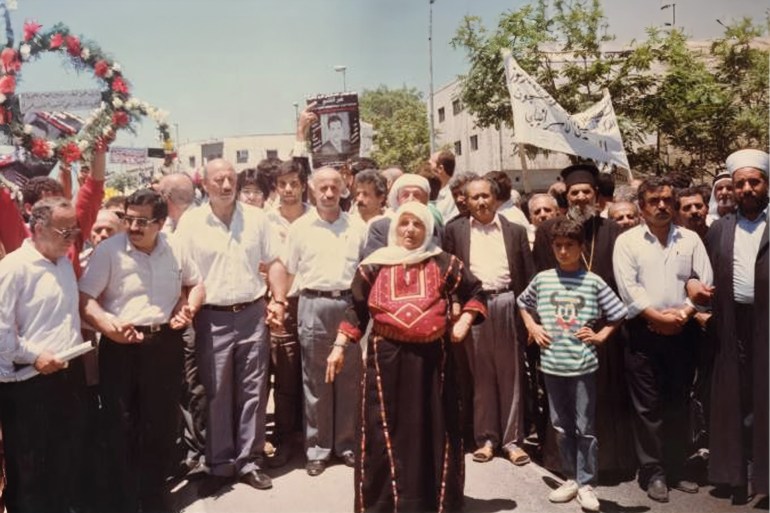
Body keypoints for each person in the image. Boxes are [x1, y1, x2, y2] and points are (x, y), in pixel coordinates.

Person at [326, 202, 487, 512]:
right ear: (394, 227)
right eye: (404, 223)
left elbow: (476, 292)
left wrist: (465, 320)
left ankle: (433, 503)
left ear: (428, 229)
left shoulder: (444, 263)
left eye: (418, 224)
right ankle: (385, 504)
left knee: (432, 429)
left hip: (433, 365)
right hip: (385, 363)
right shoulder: (373, 266)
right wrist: (338, 346)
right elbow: (355, 309)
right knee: (384, 431)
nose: (410, 230)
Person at [79, 189, 205, 513]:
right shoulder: (108, 251)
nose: (133, 227)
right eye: (128, 219)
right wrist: (108, 326)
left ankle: (153, 498)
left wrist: (187, 308)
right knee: (120, 426)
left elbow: (196, 284)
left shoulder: (176, 248)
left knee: (161, 425)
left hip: (164, 345)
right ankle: (123, 501)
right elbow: (86, 300)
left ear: (161, 223)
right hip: (120, 348)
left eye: (142, 222)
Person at [174, 159, 289, 494]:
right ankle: (221, 464)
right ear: (205, 185)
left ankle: (250, 461)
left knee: (254, 389)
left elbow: (276, 261)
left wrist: (278, 300)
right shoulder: (191, 223)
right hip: (211, 317)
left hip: (253, 312)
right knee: (217, 391)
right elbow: (182, 275)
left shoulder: (257, 219)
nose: (226, 186)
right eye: (218, 180)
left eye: (231, 179)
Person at [613, 176, 713, 503]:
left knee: (678, 401)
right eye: (654, 200)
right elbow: (629, 289)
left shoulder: (691, 240)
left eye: (667, 200)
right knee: (648, 406)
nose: (661, 206)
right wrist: (656, 318)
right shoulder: (627, 241)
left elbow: (705, 280)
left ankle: (676, 467)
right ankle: (653, 471)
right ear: (641, 207)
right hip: (643, 332)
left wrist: (682, 315)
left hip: (682, 332)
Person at [518, 218, 627, 512]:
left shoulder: (592, 281)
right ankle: (570, 478)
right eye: (558, 246)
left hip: (582, 366)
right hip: (552, 366)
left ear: (581, 247)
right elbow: (522, 302)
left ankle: (587, 483)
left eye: (570, 246)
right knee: (560, 425)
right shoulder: (543, 280)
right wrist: (534, 327)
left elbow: (618, 312)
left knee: (584, 426)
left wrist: (601, 335)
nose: (563, 251)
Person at [532, 164, 635, 477]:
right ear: (567, 196)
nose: (579, 198)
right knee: (566, 399)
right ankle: (564, 464)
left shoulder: (613, 231)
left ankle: (608, 463)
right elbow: (538, 281)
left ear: (596, 197)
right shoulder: (550, 231)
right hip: (563, 328)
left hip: (603, 329)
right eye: (574, 192)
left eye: (585, 192)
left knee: (601, 396)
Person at [0, 197, 87, 513]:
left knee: (64, 467)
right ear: (38, 228)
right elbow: (1, 332)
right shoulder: (13, 269)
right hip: (29, 385)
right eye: (64, 231)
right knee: (30, 474)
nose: (71, 238)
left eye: (74, 230)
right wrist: (35, 356)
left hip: (67, 376)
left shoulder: (63, 264)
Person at [443, 176, 534, 467]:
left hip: (508, 302)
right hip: (474, 306)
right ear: (465, 202)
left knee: (511, 374)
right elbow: (449, 274)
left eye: (485, 196)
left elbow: (528, 277)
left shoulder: (516, 231)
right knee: (480, 374)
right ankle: (486, 438)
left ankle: (512, 441)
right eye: (474, 198)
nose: (481, 202)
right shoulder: (454, 231)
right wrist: (455, 306)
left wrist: (529, 317)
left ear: (495, 199)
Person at [284, 166, 366, 476]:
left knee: (349, 378)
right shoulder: (300, 228)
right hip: (313, 304)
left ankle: (346, 445)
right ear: (312, 189)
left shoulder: (356, 227)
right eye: (323, 188)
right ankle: (317, 448)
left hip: (349, 304)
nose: (329, 193)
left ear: (344, 187)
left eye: (334, 187)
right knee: (316, 380)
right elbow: (288, 269)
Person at [706, 149, 768, 504]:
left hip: (767, 324)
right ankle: (735, 475)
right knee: (734, 398)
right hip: (731, 325)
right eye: (740, 182)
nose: (746, 188)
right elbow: (702, 273)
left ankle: (766, 477)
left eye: (753, 182)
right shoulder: (720, 228)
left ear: (766, 184)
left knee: (766, 398)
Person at [264, 157, 312, 468]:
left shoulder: (315, 217)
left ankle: (313, 437)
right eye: (283, 184)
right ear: (276, 188)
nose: (289, 189)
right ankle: (284, 439)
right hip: (279, 304)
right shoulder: (265, 221)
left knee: (312, 373)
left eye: (294, 183)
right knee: (284, 375)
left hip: (309, 301)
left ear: (304, 186)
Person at [430, 150, 459, 222]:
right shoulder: (430, 192)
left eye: (430, 164)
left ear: (440, 168)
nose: (427, 168)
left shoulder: (454, 195)